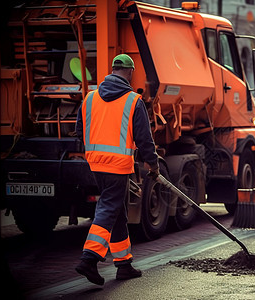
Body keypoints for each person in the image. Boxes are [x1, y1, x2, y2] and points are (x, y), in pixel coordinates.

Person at [75, 54, 160, 285]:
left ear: (112, 70)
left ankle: (123, 264)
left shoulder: (90, 98)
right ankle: (89, 259)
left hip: (95, 163)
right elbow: (144, 139)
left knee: (117, 210)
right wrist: (153, 163)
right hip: (117, 165)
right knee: (109, 206)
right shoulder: (133, 100)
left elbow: (79, 130)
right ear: (130, 73)